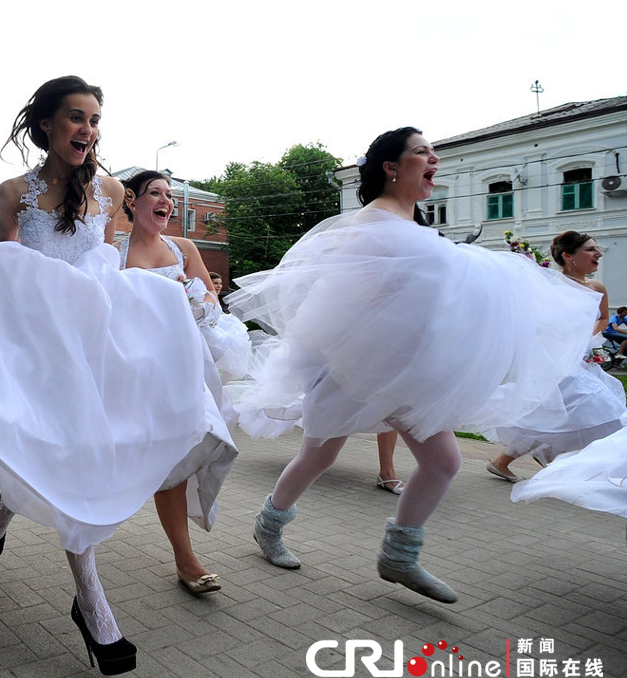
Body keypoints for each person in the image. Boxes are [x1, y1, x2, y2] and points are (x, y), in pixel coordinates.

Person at [0, 76, 215, 676]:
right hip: (34, 344)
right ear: (47, 125)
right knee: (57, 451)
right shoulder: (13, 192)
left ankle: (3, 510)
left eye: (94, 120)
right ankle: (93, 607)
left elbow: (106, 268)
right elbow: (5, 273)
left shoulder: (109, 190)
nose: (87, 130)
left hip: (85, 344)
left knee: (76, 453)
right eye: (76, 118)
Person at [227, 127, 600, 604]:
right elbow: (348, 300)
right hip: (352, 367)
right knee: (318, 456)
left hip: (405, 373)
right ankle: (269, 526)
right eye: (422, 152)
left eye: (433, 152)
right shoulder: (374, 222)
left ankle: (399, 556)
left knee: (444, 461)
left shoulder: (416, 228)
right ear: (391, 166)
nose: (434, 160)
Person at [118, 170, 238, 595]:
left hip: (179, 370)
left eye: (169, 195)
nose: (166, 200)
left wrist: (198, 304)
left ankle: (186, 560)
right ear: (131, 201)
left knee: (177, 461)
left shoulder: (183, 248)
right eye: (155, 192)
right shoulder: (111, 253)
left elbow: (210, 298)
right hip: (131, 374)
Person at [485, 231, 626, 482]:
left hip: (583, 358)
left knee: (568, 413)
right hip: (557, 360)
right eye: (591, 249)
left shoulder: (597, 286)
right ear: (568, 256)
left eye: (597, 249)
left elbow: (603, 318)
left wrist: (589, 340)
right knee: (592, 408)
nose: (598, 254)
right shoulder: (551, 287)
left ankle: (509, 461)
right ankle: (574, 466)